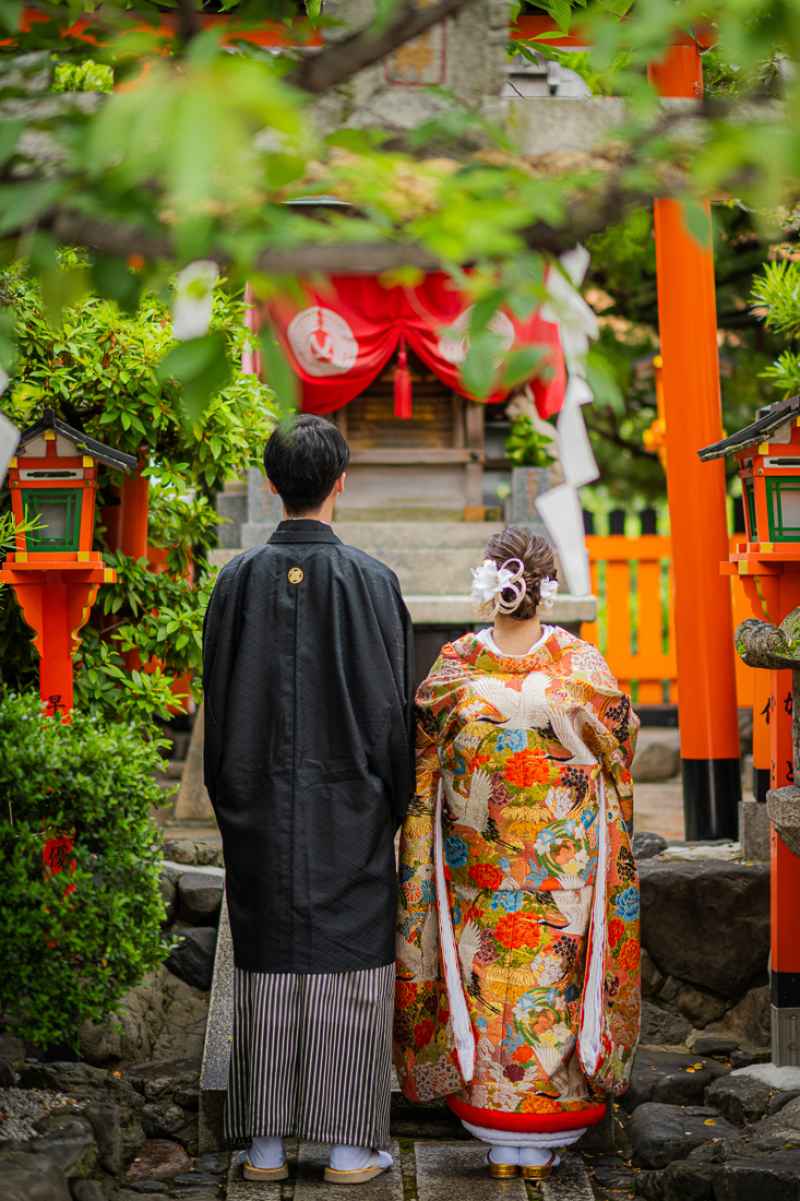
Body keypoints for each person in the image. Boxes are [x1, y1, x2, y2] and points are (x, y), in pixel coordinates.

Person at [203, 414, 415, 1185]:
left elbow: (219, 712)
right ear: (340, 483)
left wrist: (231, 797)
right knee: (349, 968)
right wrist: (396, 800)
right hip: (351, 806)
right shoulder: (373, 581)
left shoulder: (235, 580)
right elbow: (395, 716)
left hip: (256, 798)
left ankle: (262, 1147)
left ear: (270, 485)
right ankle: (351, 1149)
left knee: (264, 962)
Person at [393, 526, 640, 1181]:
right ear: (547, 589)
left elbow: (423, 739)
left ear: (490, 584)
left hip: (481, 867)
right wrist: (559, 727)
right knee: (548, 991)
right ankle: (542, 1139)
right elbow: (621, 741)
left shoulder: (458, 662)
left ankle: (500, 1138)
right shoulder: (579, 664)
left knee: (488, 990)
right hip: (563, 874)